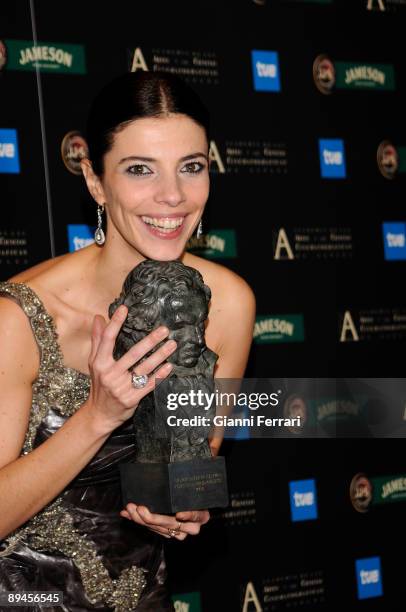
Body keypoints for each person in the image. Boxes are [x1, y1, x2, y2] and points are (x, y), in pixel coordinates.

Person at [0, 71, 256, 611]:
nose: (172, 196)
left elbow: (197, 453)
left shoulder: (228, 304)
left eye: (192, 167)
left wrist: (179, 502)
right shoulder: (20, 317)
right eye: (140, 170)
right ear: (95, 182)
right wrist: (98, 415)